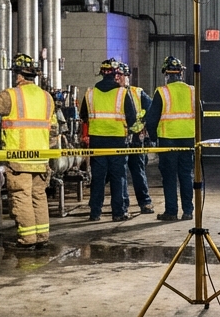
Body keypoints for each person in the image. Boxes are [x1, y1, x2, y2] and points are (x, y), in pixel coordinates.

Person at [0, 53, 58, 247]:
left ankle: (27, 239)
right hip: (41, 160)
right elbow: (55, 130)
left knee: (21, 197)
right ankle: (42, 237)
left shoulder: (12, 95)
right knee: (38, 197)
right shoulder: (47, 97)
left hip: (20, 159)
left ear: (18, 76)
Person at [81, 58, 136, 222]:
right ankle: (118, 213)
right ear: (115, 74)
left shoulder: (90, 93)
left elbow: (84, 116)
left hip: (97, 141)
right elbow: (132, 118)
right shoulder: (122, 93)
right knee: (117, 178)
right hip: (117, 141)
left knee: (98, 178)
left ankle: (95, 213)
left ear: (101, 73)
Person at [145, 56, 196, 222]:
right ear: (181, 73)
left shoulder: (162, 92)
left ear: (166, 74)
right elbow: (201, 117)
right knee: (186, 175)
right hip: (188, 140)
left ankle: (171, 212)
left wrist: (152, 139)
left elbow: (152, 119)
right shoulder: (192, 91)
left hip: (168, 140)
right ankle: (188, 211)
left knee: (169, 177)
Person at [114, 62, 154, 214]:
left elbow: (151, 111)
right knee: (119, 174)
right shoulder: (112, 94)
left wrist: (145, 127)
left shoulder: (138, 93)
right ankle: (121, 206)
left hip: (135, 139)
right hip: (118, 139)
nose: (118, 78)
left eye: (121, 75)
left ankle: (145, 202)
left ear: (127, 76)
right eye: (115, 75)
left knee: (138, 172)